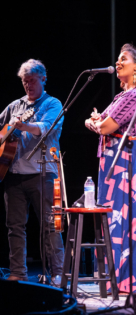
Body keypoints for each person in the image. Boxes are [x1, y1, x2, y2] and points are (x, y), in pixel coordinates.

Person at [85, 44, 136, 293]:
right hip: (111, 159)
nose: (118, 63)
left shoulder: (135, 95)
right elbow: (98, 122)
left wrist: (98, 123)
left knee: (127, 219)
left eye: (123, 59)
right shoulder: (121, 96)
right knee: (114, 220)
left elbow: (104, 126)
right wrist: (98, 122)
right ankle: (117, 278)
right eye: (117, 59)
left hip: (125, 159)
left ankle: (132, 278)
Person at [0, 59, 65, 285]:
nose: (28, 86)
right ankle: (18, 272)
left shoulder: (52, 104)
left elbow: (46, 128)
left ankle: (57, 274)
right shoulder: (14, 106)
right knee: (14, 227)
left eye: (32, 81)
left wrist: (24, 126)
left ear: (43, 79)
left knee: (50, 226)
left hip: (42, 173)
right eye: (25, 82)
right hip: (14, 174)